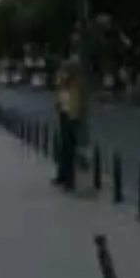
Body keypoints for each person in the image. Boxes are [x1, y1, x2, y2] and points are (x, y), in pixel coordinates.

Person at [54, 63, 82, 191]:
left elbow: (79, 105)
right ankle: (61, 176)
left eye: (64, 72)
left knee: (69, 150)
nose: (62, 75)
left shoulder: (75, 87)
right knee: (62, 148)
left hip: (72, 119)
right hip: (64, 116)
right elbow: (58, 101)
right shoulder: (61, 87)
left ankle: (70, 181)